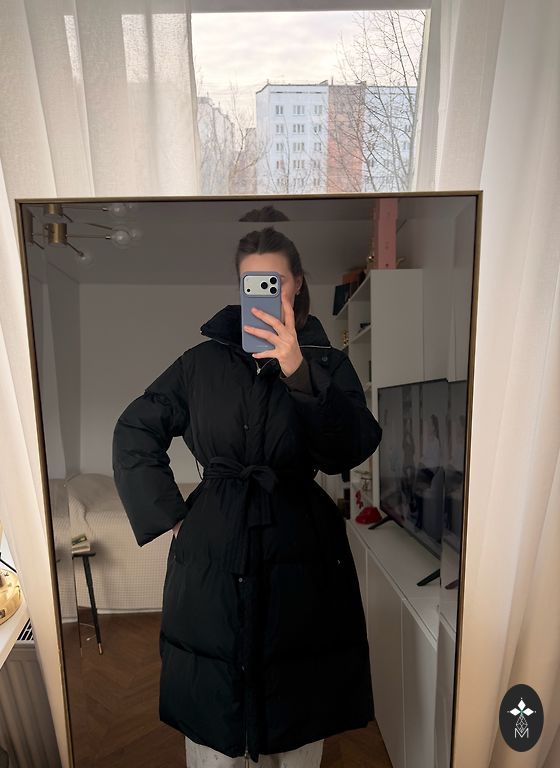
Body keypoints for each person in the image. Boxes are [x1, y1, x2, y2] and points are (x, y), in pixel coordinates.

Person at [112, 226, 383, 767]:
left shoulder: (328, 364)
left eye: (274, 280)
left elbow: (349, 448)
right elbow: (134, 430)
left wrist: (298, 372)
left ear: (297, 283)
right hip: (213, 545)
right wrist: (171, 515)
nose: (263, 291)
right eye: (251, 281)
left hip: (302, 545)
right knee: (215, 720)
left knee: (298, 712)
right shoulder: (199, 364)